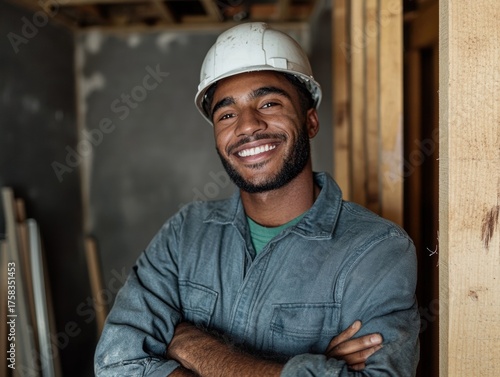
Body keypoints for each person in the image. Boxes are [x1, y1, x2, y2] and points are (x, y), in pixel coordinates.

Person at [94, 22, 420, 376]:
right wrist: (314, 369)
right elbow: (117, 361)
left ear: (310, 121)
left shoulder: (377, 249)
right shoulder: (185, 234)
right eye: (227, 113)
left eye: (269, 103)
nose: (247, 126)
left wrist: (189, 344)